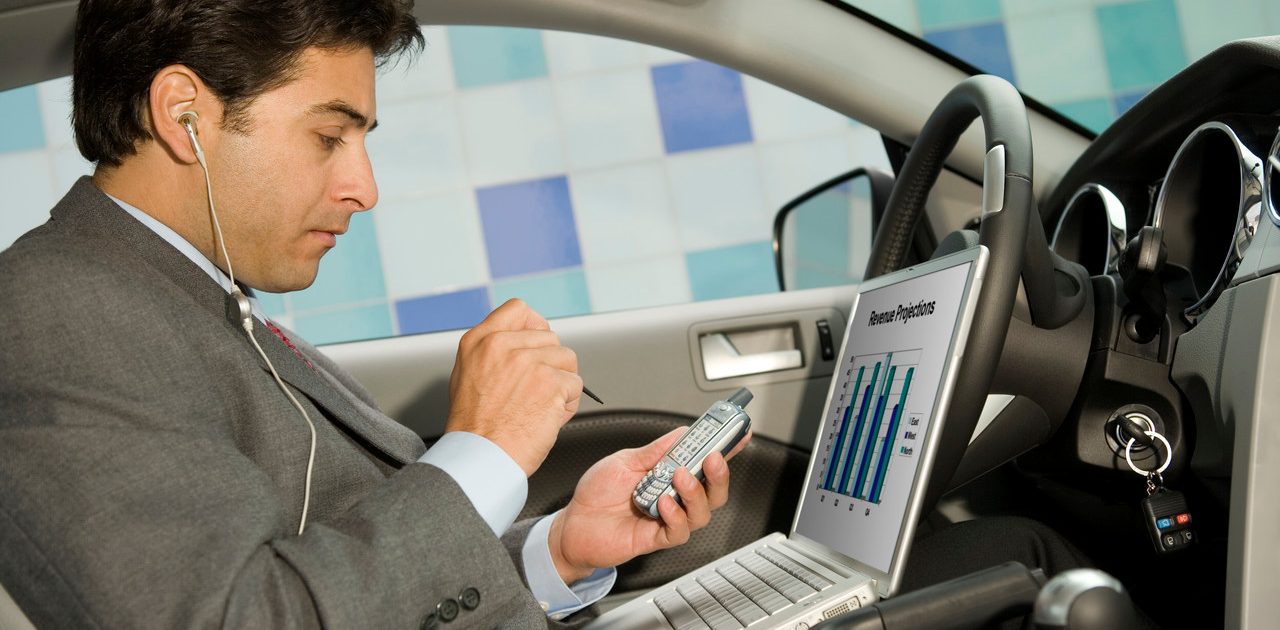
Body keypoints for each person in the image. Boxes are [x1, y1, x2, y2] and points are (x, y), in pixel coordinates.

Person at [0, 0, 746, 627]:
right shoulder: (48, 311)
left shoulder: (192, 297)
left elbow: (340, 573)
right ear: (182, 112)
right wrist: (483, 452)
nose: (364, 187)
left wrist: (556, 553)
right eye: (329, 137)